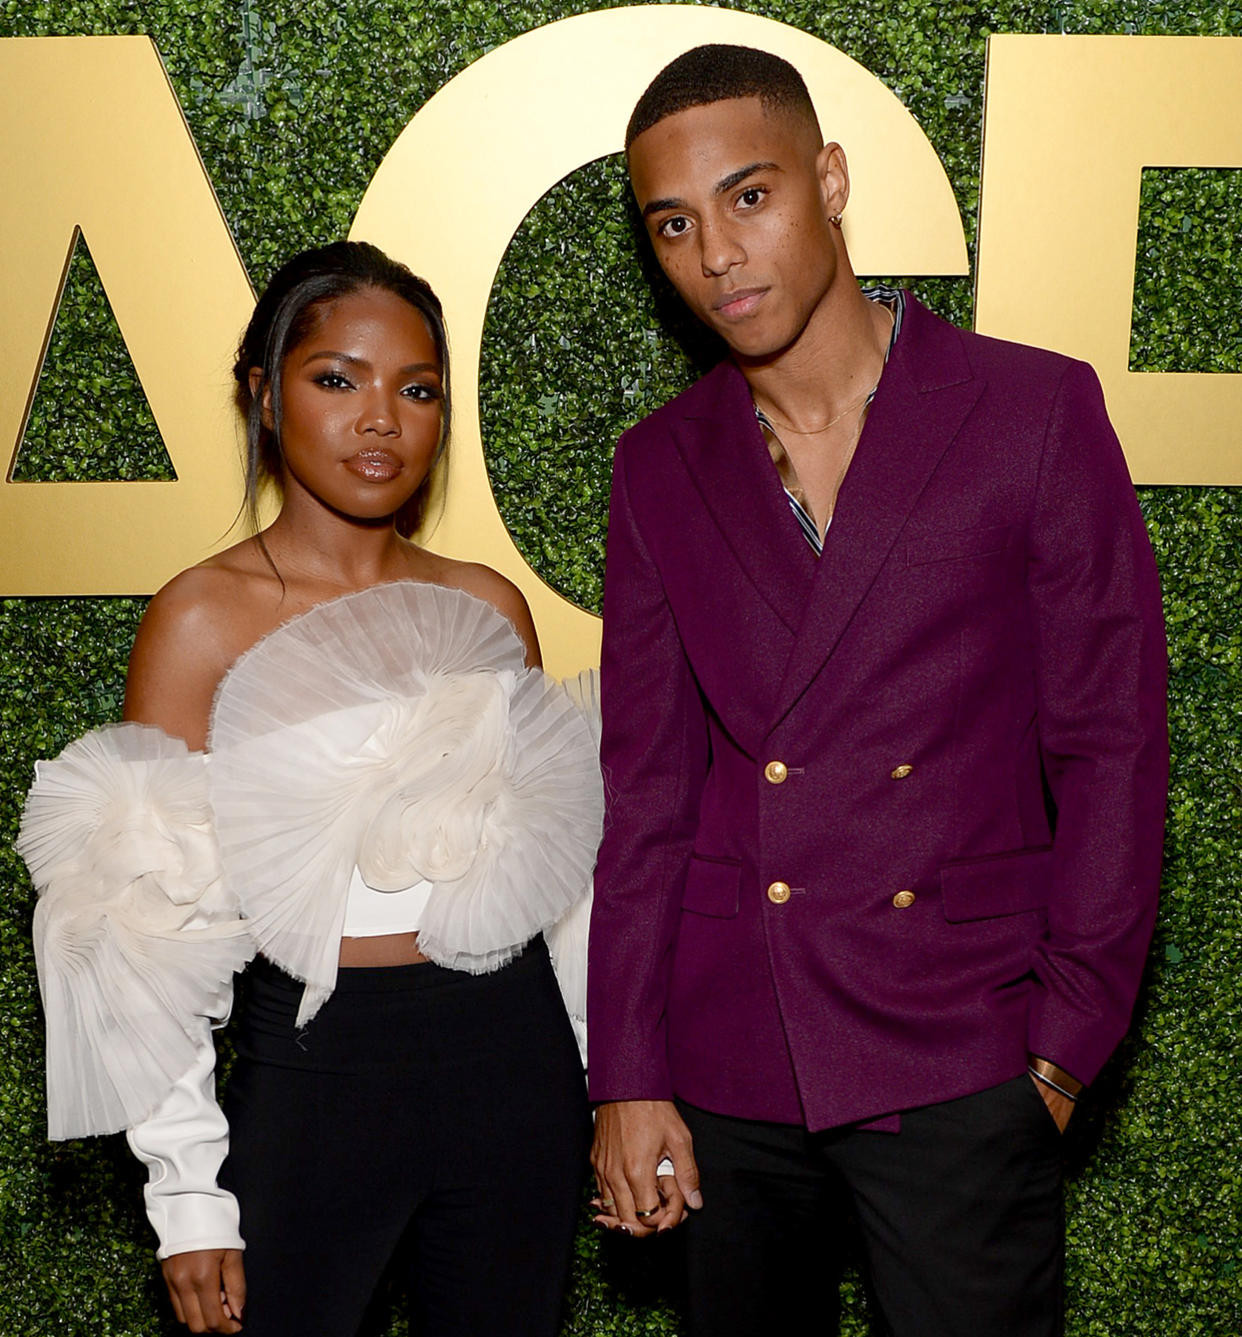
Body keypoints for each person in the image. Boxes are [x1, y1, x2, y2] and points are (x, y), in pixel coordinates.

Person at [586, 44, 1167, 1337]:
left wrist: (1064, 1045)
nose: (717, 254)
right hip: (730, 1052)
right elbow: (646, 796)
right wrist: (625, 1070)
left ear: (830, 179)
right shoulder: (657, 467)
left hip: (959, 1039)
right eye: (672, 224)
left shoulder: (1032, 409)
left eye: (749, 197)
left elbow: (1110, 749)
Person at [18, 241, 601, 1337]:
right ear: (264, 394)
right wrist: (188, 1193)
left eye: (416, 389)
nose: (381, 417)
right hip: (315, 1073)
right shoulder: (200, 617)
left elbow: (555, 884)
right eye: (338, 378)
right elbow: (149, 931)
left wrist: (615, 1080)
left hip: (513, 1068)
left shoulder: (489, 606)